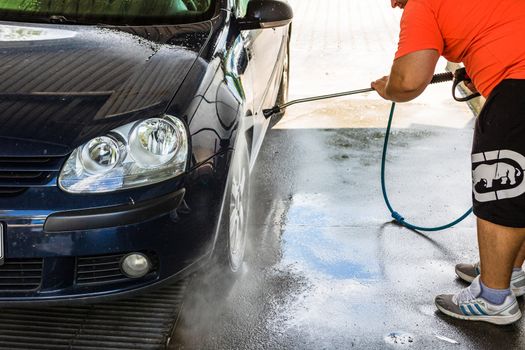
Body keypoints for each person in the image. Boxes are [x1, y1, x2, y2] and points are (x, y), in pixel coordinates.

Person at [372, 0, 525, 325]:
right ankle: (508, 272)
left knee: (499, 185)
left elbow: (409, 79)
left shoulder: (422, 4)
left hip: (518, 87)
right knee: (520, 187)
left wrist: (390, 88)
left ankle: (493, 297)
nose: (393, 3)